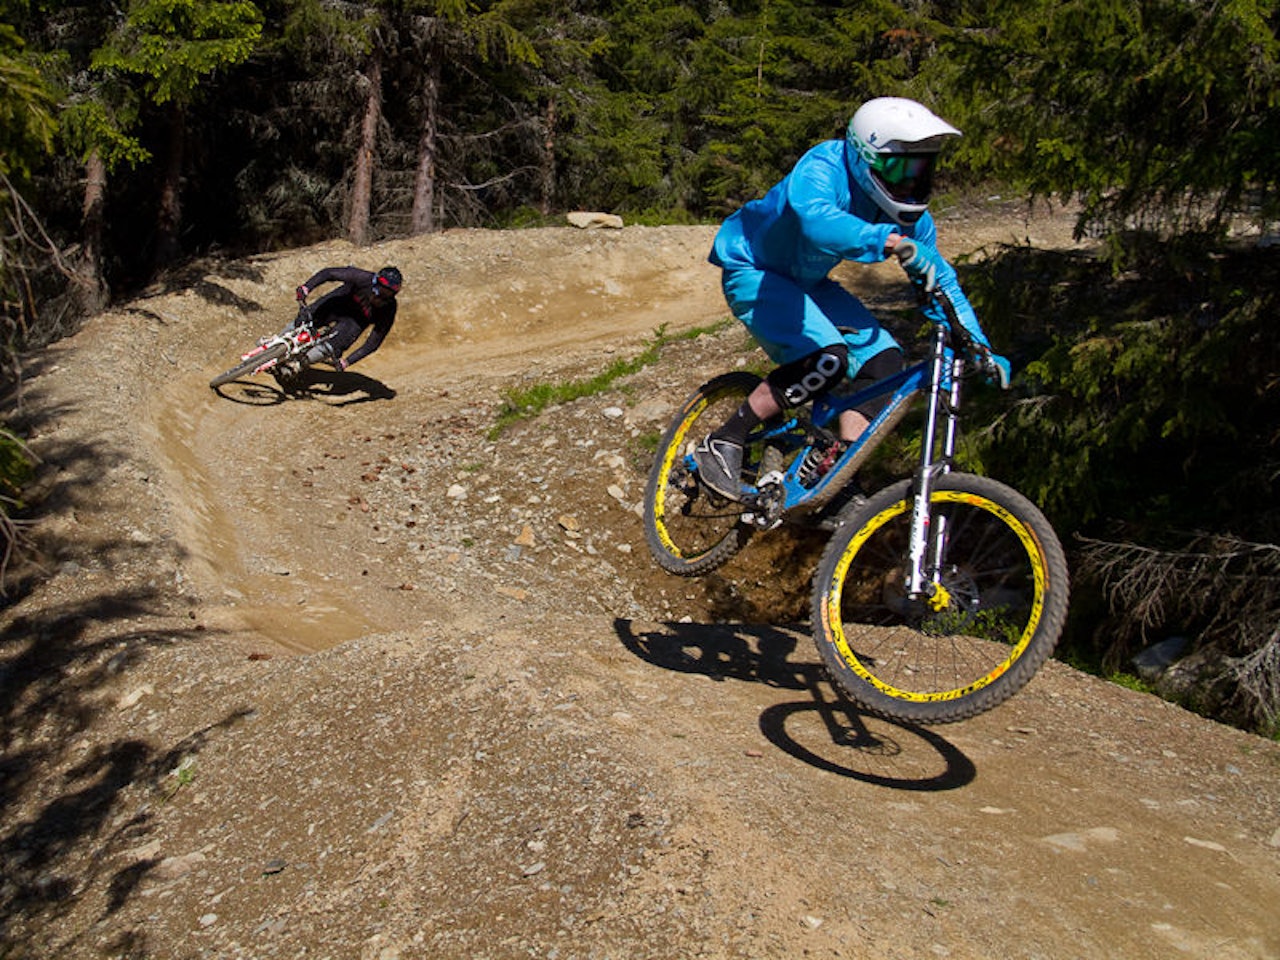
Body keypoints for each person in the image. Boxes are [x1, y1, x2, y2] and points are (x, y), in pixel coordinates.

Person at [693, 96, 1010, 501]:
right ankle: (724, 440)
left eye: (922, 170)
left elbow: (941, 284)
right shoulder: (824, 166)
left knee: (886, 363)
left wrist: (979, 347)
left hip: (809, 280)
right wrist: (884, 239)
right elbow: (816, 220)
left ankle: (838, 480)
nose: (912, 182)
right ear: (865, 157)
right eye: (901, 169)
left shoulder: (911, 219)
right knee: (828, 357)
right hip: (754, 269)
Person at [284, 264, 404, 375]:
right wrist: (306, 288)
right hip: (337, 304)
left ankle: (298, 364)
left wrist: (347, 362)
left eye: (389, 293)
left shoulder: (389, 309)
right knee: (304, 320)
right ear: (376, 283)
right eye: (383, 290)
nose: (383, 296)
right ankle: (277, 343)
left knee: (332, 346)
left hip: (354, 323)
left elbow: (373, 343)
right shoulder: (363, 278)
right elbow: (329, 273)